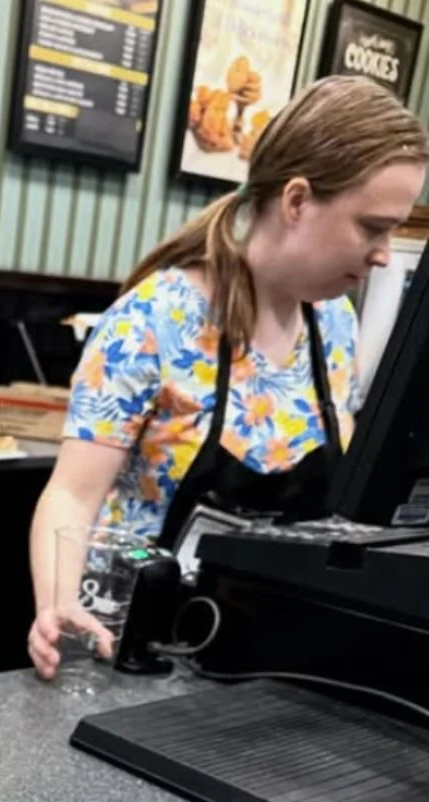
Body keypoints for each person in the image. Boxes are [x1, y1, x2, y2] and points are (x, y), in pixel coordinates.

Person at [28, 76, 429, 681]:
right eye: (372, 226)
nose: (382, 253)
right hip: (133, 656)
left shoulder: (335, 328)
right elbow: (72, 494)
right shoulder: (154, 320)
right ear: (297, 201)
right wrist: (59, 604)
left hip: (269, 660)